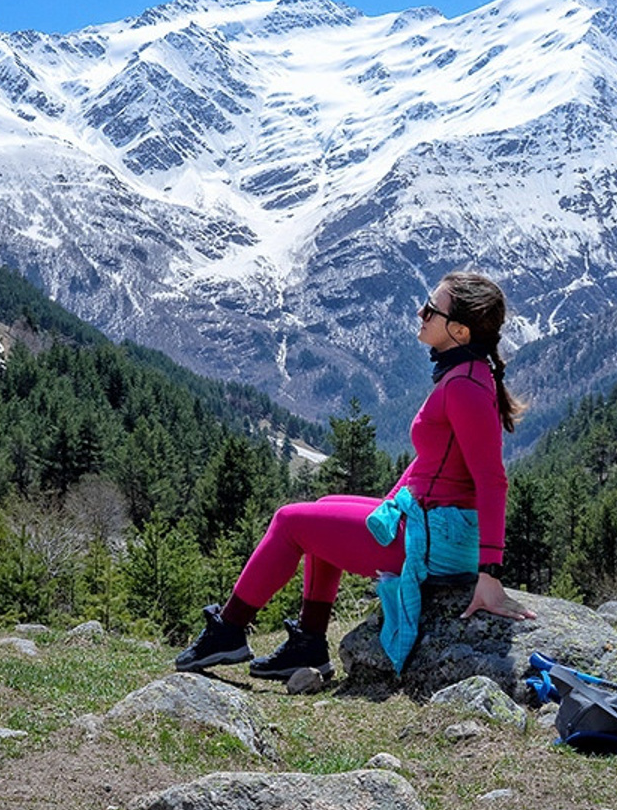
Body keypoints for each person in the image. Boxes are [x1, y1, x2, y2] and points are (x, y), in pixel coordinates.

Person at [174, 270, 536, 681]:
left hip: (436, 541)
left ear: (460, 331)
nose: (421, 313)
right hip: (431, 524)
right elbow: (431, 459)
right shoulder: (463, 375)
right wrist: (387, 508)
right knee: (325, 508)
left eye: (431, 309)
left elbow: (492, 481)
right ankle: (309, 642)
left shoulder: (464, 386)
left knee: (289, 521)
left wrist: (490, 574)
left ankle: (229, 630)